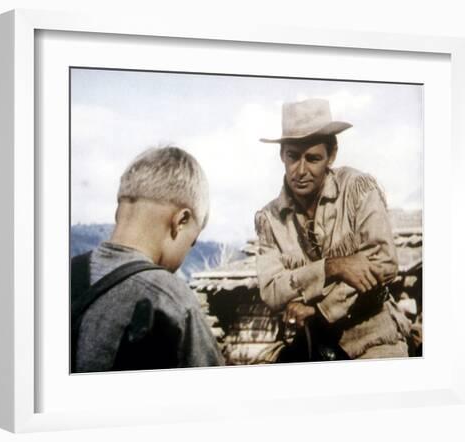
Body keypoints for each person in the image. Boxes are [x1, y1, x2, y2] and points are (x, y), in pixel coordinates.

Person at [255, 99, 411, 361]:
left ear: (332, 154)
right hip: (308, 342)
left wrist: (318, 309)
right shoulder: (269, 219)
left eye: (313, 158)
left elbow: (383, 263)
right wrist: (331, 267)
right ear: (282, 155)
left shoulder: (358, 190)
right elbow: (271, 290)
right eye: (293, 156)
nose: (301, 171)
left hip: (372, 338)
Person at [72, 146, 224, 373]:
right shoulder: (171, 299)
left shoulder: (61, 276)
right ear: (181, 221)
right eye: (192, 241)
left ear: (118, 212)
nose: (186, 253)